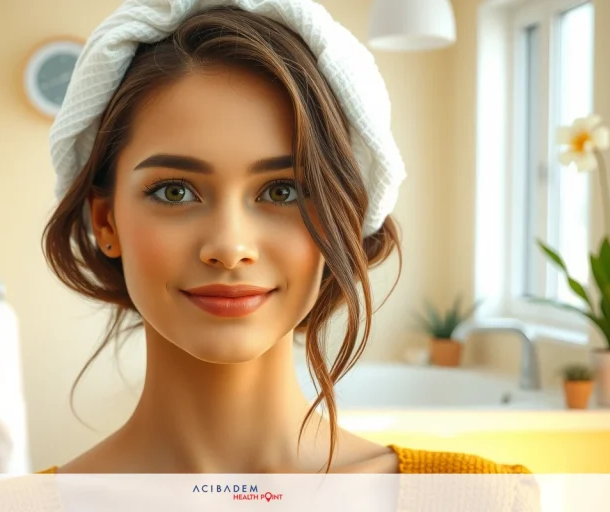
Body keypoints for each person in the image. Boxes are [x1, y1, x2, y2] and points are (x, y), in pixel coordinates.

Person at [37, 0, 531, 476]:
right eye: (175, 191)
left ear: (343, 219)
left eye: (283, 191)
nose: (230, 247)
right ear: (106, 222)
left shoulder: (481, 499)